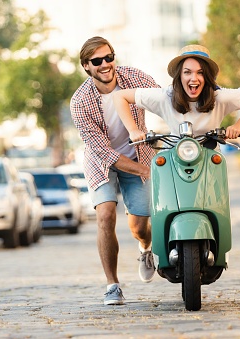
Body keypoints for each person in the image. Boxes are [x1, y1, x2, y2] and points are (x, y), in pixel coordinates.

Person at [70, 36, 160, 306]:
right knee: (106, 215)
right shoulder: (80, 102)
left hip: (138, 152)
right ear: (87, 66)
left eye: (109, 57)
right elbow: (104, 153)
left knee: (140, 225)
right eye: (98, 61)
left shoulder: (134, 77)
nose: (106, 64)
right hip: (101, 163)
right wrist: (148, 169)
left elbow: (165, 98)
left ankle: (145, 248)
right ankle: (113, 286)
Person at [113, 44, 240, 143]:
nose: (194, 78)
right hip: (175, 156)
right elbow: (120, 96)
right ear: (179, 76)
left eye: (200, 73)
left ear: (207, 77)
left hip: (210, 157)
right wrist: (133, 130)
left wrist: (238, 126)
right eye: (187, 72)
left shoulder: (219, 97)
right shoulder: (165, 96)